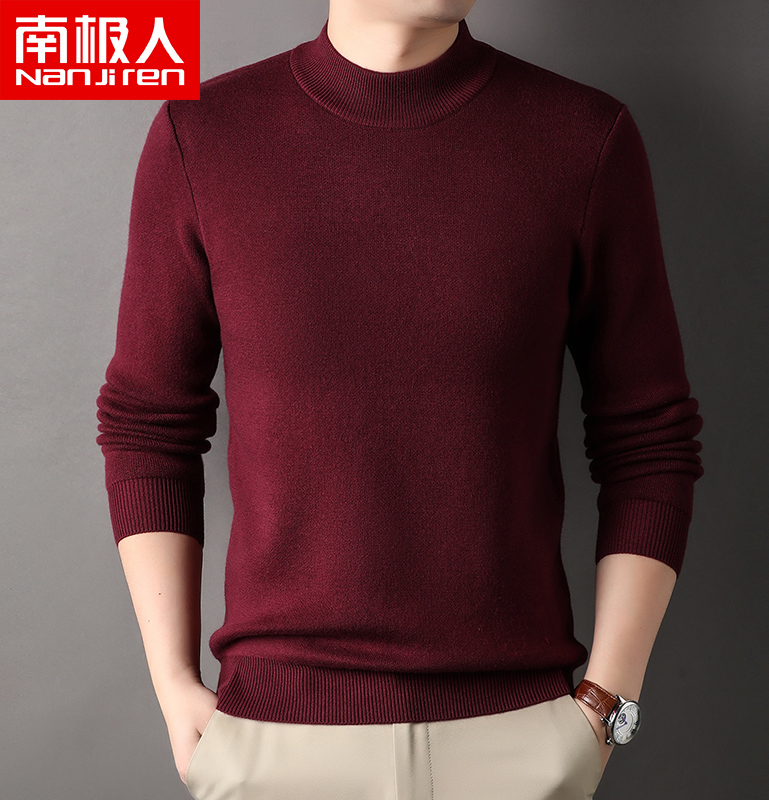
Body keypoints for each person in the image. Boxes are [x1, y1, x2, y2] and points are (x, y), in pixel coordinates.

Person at [95, 1, 704, 798]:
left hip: (517, 740)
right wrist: (174, 686)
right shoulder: (203, 134)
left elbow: (649, 438)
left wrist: (606, 703)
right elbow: (148, 425)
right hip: (276, 742)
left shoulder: (582, 138)